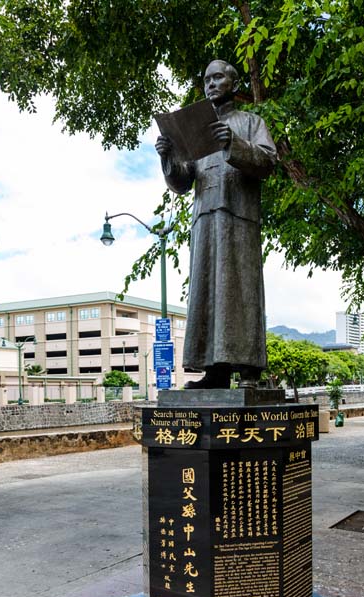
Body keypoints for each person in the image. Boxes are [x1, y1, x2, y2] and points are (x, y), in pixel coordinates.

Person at [155, 59, 277, 389]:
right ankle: (215, 371)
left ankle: (249, 370)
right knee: (207, 293)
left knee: (241, 291)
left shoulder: (250, 122)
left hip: (239, 218)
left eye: (218, 77)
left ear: (233, 84)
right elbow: (182, 181)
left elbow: (268, 162)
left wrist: (233, 143)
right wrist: (168, 156)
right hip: (205, 220)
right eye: (207, 79)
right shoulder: (196, 131)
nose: (211, 84)